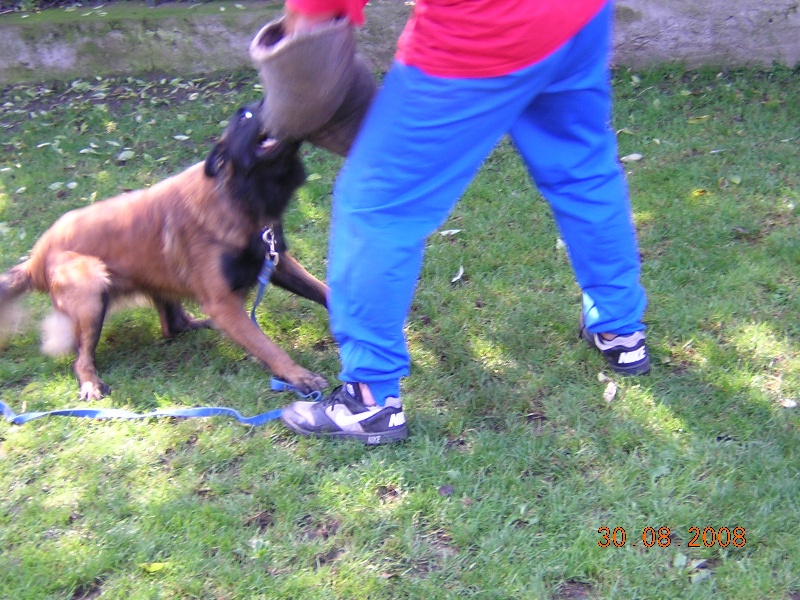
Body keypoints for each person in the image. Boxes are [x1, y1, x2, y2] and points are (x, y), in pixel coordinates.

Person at [276, 0, 650, 445]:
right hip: (578, 15)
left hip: (484, 28)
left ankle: (369, 400)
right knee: (582, 170)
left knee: (377, 205)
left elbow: (310, 18)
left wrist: (300, 52)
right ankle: (619, 329)